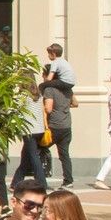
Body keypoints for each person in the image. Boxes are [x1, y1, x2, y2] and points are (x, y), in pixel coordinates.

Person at [36, 42, 76, 184]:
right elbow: (75, 103)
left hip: (54, 126)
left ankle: (40, 177)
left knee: (37, 149)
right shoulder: (68, 89)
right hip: (67, 125)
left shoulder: (49, 90)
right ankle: (68, 180)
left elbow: (48, 108)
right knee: (64, 155)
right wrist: (64, 104)